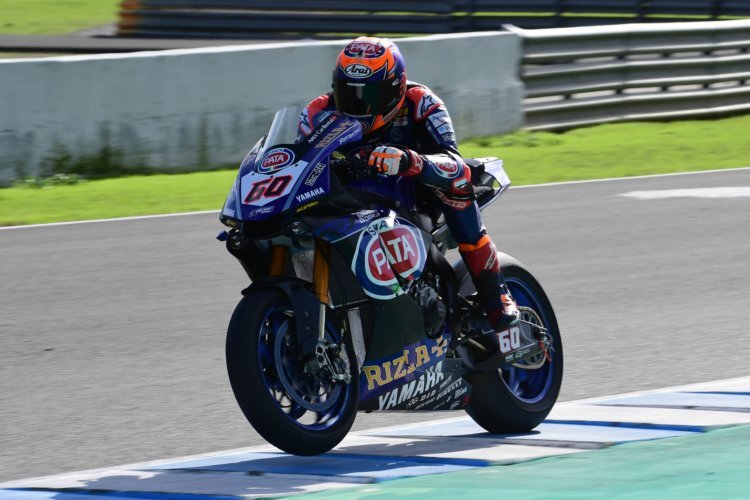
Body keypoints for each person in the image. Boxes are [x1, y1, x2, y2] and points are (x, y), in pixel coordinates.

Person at [298, 36, 519, 333]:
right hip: (347, 197)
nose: (358, 103)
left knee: (457, 187)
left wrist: (409, 161)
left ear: (396, 87)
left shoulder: (421, 101)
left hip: (415, 195)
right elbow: (297, 158)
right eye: (348, 93)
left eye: (369, 95)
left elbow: (454, 164)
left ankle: (496, 296)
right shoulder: (318, 111)